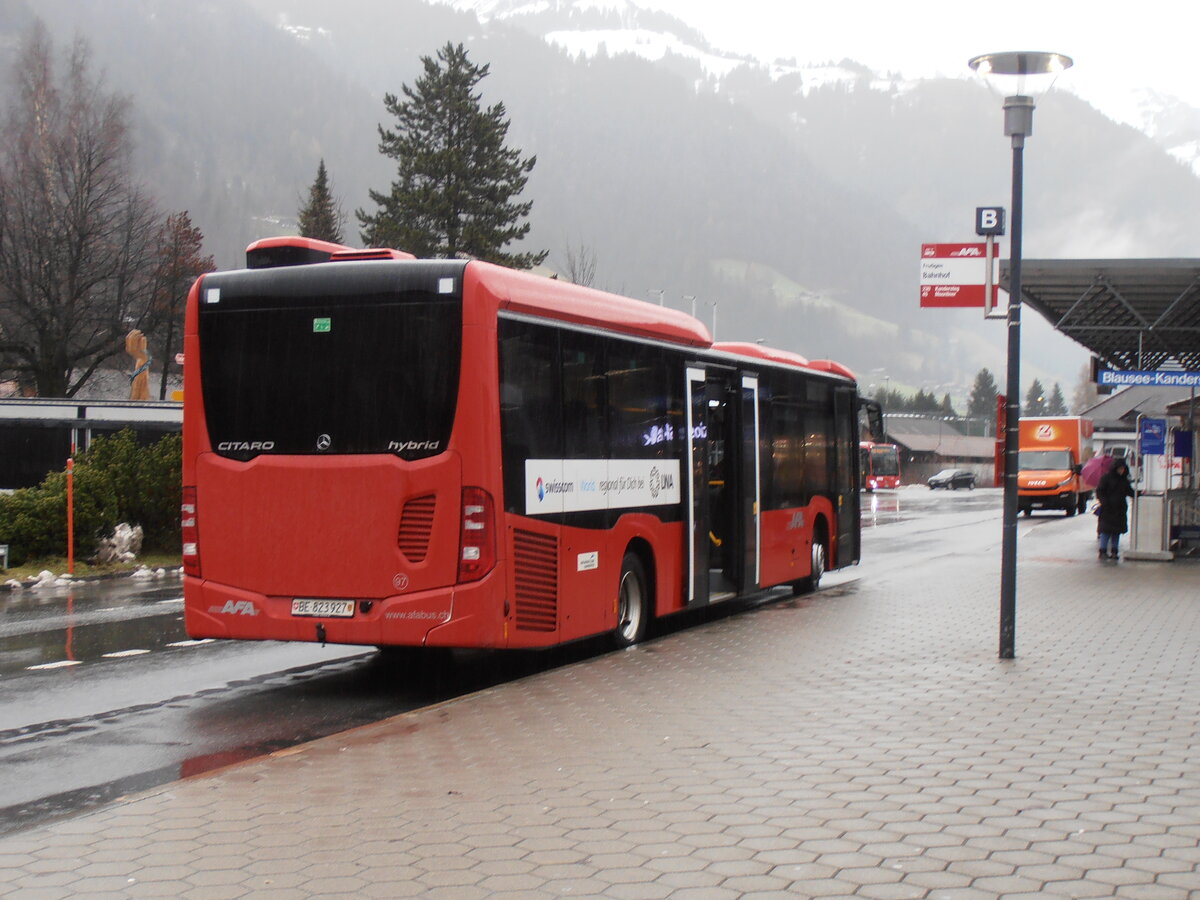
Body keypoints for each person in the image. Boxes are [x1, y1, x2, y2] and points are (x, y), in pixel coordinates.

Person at [1094, 459, 1135, 561]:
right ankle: (1103, 551)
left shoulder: (1124, 480)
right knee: (1106, 531)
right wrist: (1105, 502)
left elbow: (1130, 491)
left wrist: (1139, 494)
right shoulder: (1106, 478)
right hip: (1108, 509)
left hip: (1119, 509)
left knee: (1116, 531)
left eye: (1123, 469)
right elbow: (1100, 491)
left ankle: (1114, 551)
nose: (1121, 471)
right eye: (1120, 468)